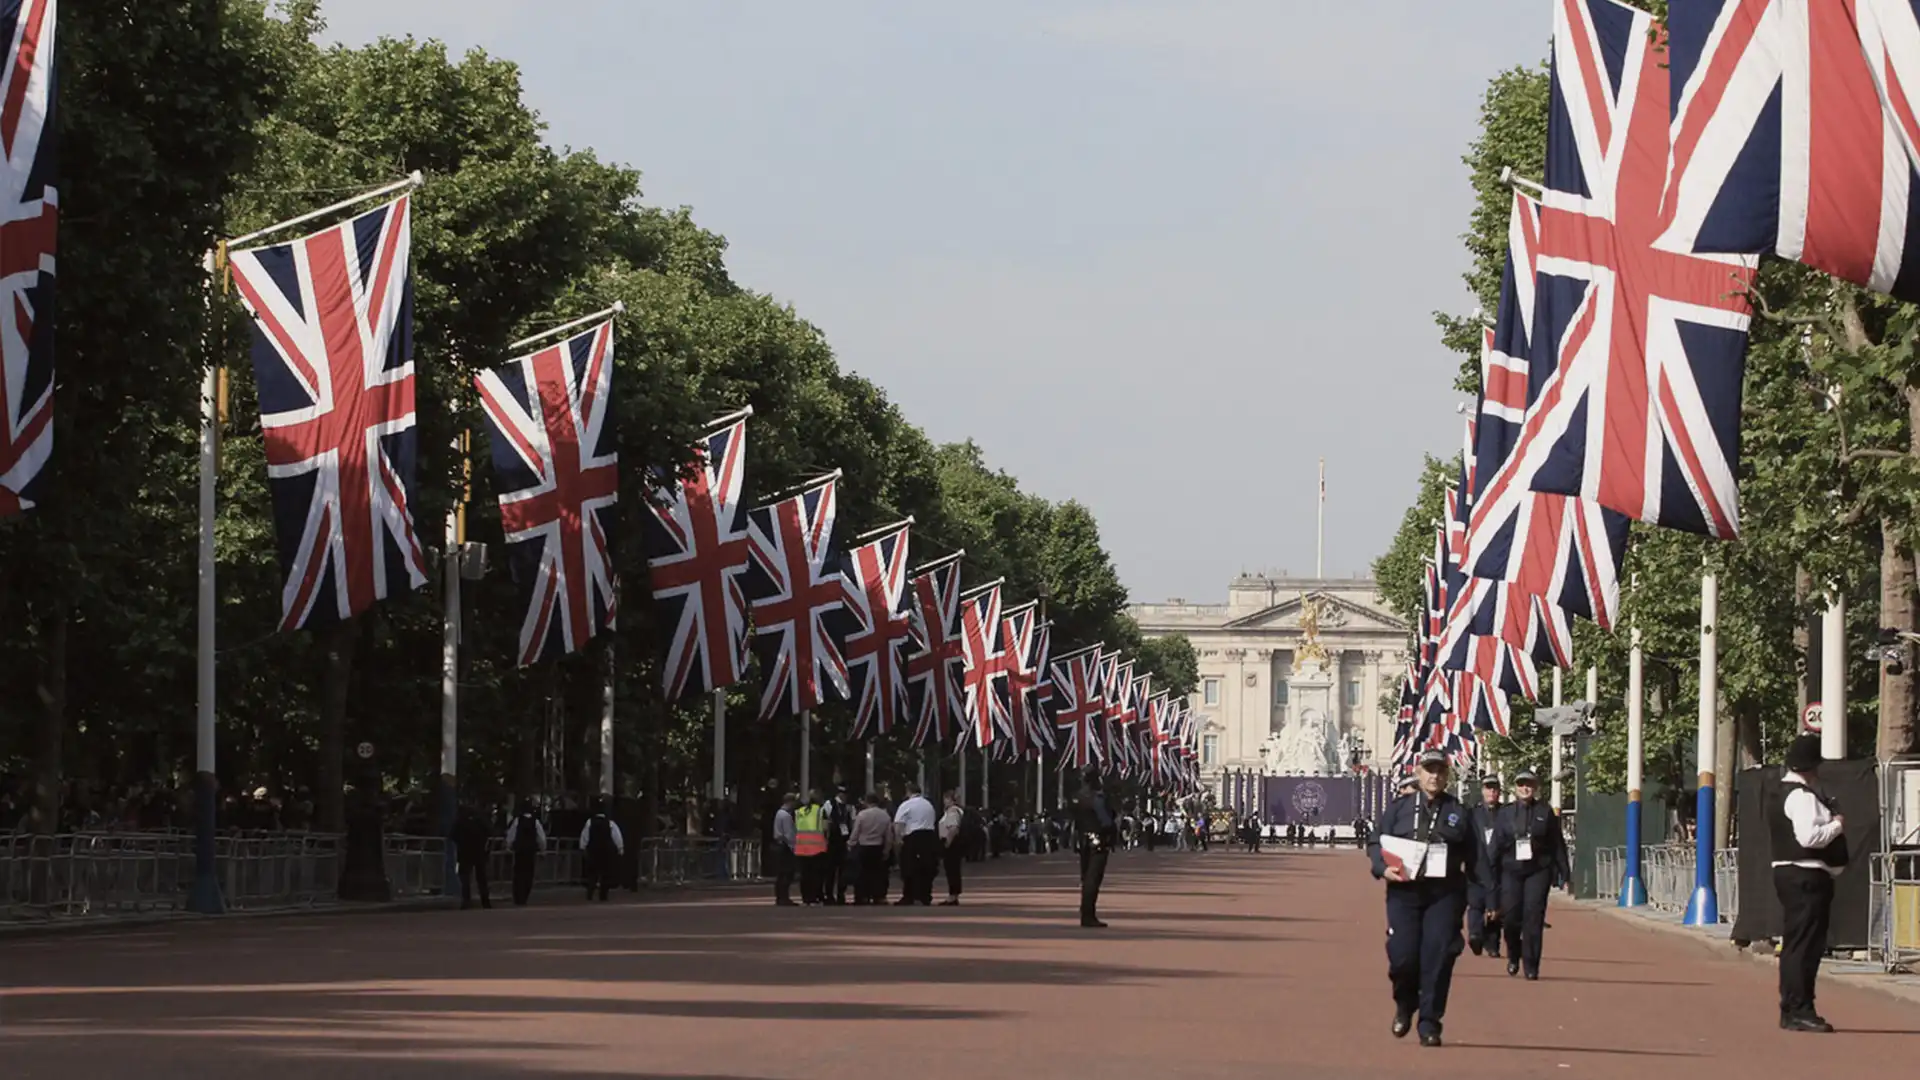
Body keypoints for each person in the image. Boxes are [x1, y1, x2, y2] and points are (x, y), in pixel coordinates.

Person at [1367, 749, 1481, 1048]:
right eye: (1429, 770)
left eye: (1441, 771)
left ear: (1447, 775)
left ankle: (1430, 1022)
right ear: (1419, 773)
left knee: (1439, 957)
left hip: (1444, 895)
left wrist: (1485, 901)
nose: (1435, 776)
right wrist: (1382, 869)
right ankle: (1405, 1004)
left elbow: (1476, 859)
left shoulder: (1459, 812)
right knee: (1403, 957)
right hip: (1404, 893)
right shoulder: (1399, 809)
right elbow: (1375, 841)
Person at [1773, 734, 1848, 1032]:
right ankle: (1800, 1008)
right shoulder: (1802, 797)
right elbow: (1809, 837)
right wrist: (1837, 825)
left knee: (1796, 944)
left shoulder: (1781, 792)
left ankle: (1793, 1006)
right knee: (1805, 945)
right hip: (1805, 876)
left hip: (1792, 875)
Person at [1492, 768, 1570, 980]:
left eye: (1529, 784)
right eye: (1521, 784)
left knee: (1533, 919)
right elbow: (1496, 845)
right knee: (1511, 919)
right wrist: (1490, 874)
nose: (1525, 788)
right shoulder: (1505, 813)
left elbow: (1557, 844)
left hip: (1538, 870)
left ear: (1535, 788)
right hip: (1511, 870)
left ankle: (1531, 964)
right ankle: (1513, 955)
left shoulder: (1545, 812)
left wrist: (1565, 872)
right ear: (1515, 788)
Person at [1074, 767, 1118, 928]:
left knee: (1086, 878)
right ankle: (1088, 914)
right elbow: (1105, 819)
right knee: (1093, 879)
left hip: (1082, 839)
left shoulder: (1078, 797)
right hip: (1098, 840)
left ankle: (1086, 911)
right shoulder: (1097, 797)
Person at [1466, 777, 1503, 958]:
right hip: (1477, 867)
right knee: (1476, 903)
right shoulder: (1473, 814)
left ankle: (1493, 942)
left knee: (1496, 906)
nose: (1492, 793)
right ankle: (1475, 934)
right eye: (1488, 789)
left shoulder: (1505, 813)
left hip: (1499, 867)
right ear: (1482, 791)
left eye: (1495, 790)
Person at [893, 781, 939, 905]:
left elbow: (898, 823)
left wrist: (898, 839)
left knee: (909, 867)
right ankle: (925, 895)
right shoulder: (929, 804)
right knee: (927, 867)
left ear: (908, 792)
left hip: (913, 837)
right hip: (929, 836)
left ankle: (909, 895)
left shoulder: (906, 805)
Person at [849, 792, 894, 904]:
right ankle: (878, 896)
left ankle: (862, 896)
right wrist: (887, 850)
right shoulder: (885, 815)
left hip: (863, 846)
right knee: (877, 873)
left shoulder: (862, 815)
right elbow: (888, 835)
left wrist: (851, 843)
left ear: (866, 802)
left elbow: (856, 831)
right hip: (878, 847)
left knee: (862, 873)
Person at [578, 797, 625, 902]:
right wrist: (620, 850)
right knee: (606, 874)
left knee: (592, 873)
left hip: (593, 851)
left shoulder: (589, 822)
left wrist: (583, 848)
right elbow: (617, 837)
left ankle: (590, 893)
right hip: (606, 852)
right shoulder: (610, 823)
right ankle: (603, 895)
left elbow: (584, 836)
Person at [447, 802, 493, 910]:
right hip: (479, 852)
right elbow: (490, 832)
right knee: (481, 877)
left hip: (464, 852)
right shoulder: (480, 820)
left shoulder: (460, 821)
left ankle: (466, 901)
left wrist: (461, 843)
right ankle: (485, 901)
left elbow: (452, 835)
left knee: (465, 877)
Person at [504, 799, 546, 907]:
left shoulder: (518, 820)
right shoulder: (535, 822)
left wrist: (508, 846)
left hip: (519, 851)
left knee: (518, 873)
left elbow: (511, 835)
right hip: (531, 851)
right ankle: (525, 896)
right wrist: (543, 850)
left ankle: (518, 896)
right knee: (529, 874)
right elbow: (541, 838)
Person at [795, 789, 829, 905]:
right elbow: (825, 828)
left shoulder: (800, 811)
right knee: (816, 874)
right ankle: (814, 897)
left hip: (801, 846)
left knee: (805, 875)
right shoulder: (820, 811)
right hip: (817, 847)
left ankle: (806, 898)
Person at [826, 786, 855, 905]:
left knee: (843, 870)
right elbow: (826, 822)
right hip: (832, 841)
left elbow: (853, 823)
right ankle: (829, 895)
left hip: (844, 841)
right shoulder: (829, 804)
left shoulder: (850, 807)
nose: (844, 796)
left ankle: (840, 894)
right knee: (830, 871)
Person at [939, 790, 966, 905]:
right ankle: (953, 894)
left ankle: (953, 895)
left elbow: (953, 828)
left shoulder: (952, 811)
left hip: (951, 843)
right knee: (952, 869)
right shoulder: (956, 811)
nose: (944, 802)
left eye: (945, 799)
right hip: (954, 843)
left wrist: (947, 843)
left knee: (952, 869)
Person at [772, 794, 798, 906]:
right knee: (787, 873)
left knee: (781, 873)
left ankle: (780, 896)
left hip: (779, 844)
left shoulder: (779, 813)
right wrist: (793, 847)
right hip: (785, 846)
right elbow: (789, 833)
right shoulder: (786, 816)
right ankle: (784, 897)